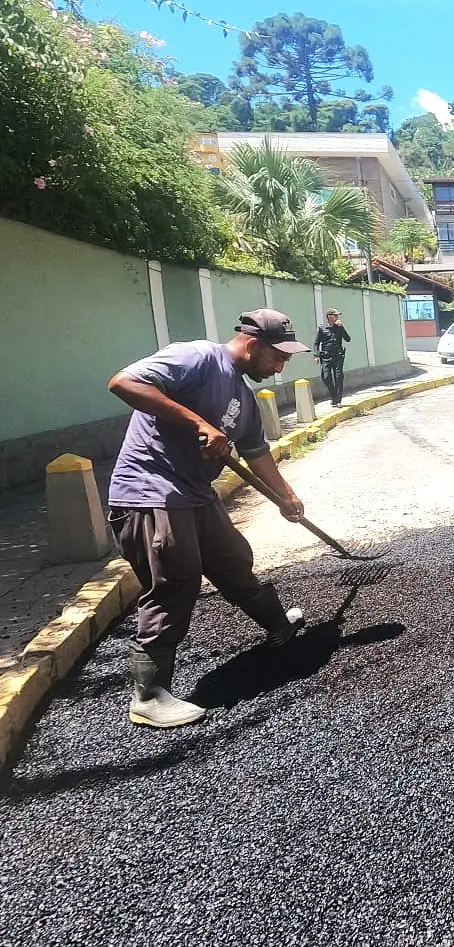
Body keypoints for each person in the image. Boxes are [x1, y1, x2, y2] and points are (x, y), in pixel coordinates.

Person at [105, 309, 312, 729]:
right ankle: (148, 694)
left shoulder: (245, 399)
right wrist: (199, 422)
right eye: (278, 357)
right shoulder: (197, 357)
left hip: (197, 495)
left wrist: (286, 497)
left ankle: (278, 625)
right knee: (176, 581)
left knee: (233, 560)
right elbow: (123, 382)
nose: (280, 367)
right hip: (152, 492)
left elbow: (256, 452)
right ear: (253, 344)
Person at [314, 308, 351, 407]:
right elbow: (316, 343)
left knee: (338, 378)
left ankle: (338, 400)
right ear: (329, 316)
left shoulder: (339, 327)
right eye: (335, 315)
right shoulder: (322, 328)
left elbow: (348, 339)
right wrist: (316, 355)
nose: (337, 317)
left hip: (338, 356)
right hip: (326, 357)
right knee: (326, 377)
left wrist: (342, 327)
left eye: (338, 315)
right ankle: (334, 395)